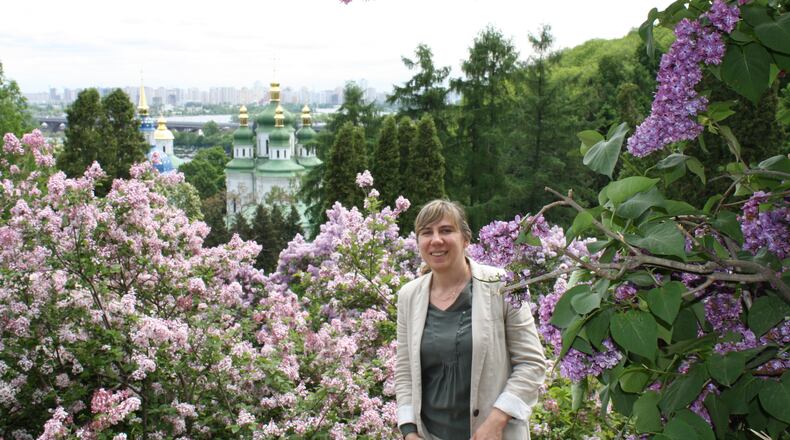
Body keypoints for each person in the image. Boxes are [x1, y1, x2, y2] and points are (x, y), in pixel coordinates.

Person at [395, 200, 546, 440]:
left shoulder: (504, 285)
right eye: (426, 232)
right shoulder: (408, 296)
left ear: (465, 239)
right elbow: (405, 371)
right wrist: (409, 431)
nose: (436, 240)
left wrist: (497, 420)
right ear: (419, 242)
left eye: (446, 230)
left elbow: (531, 363)